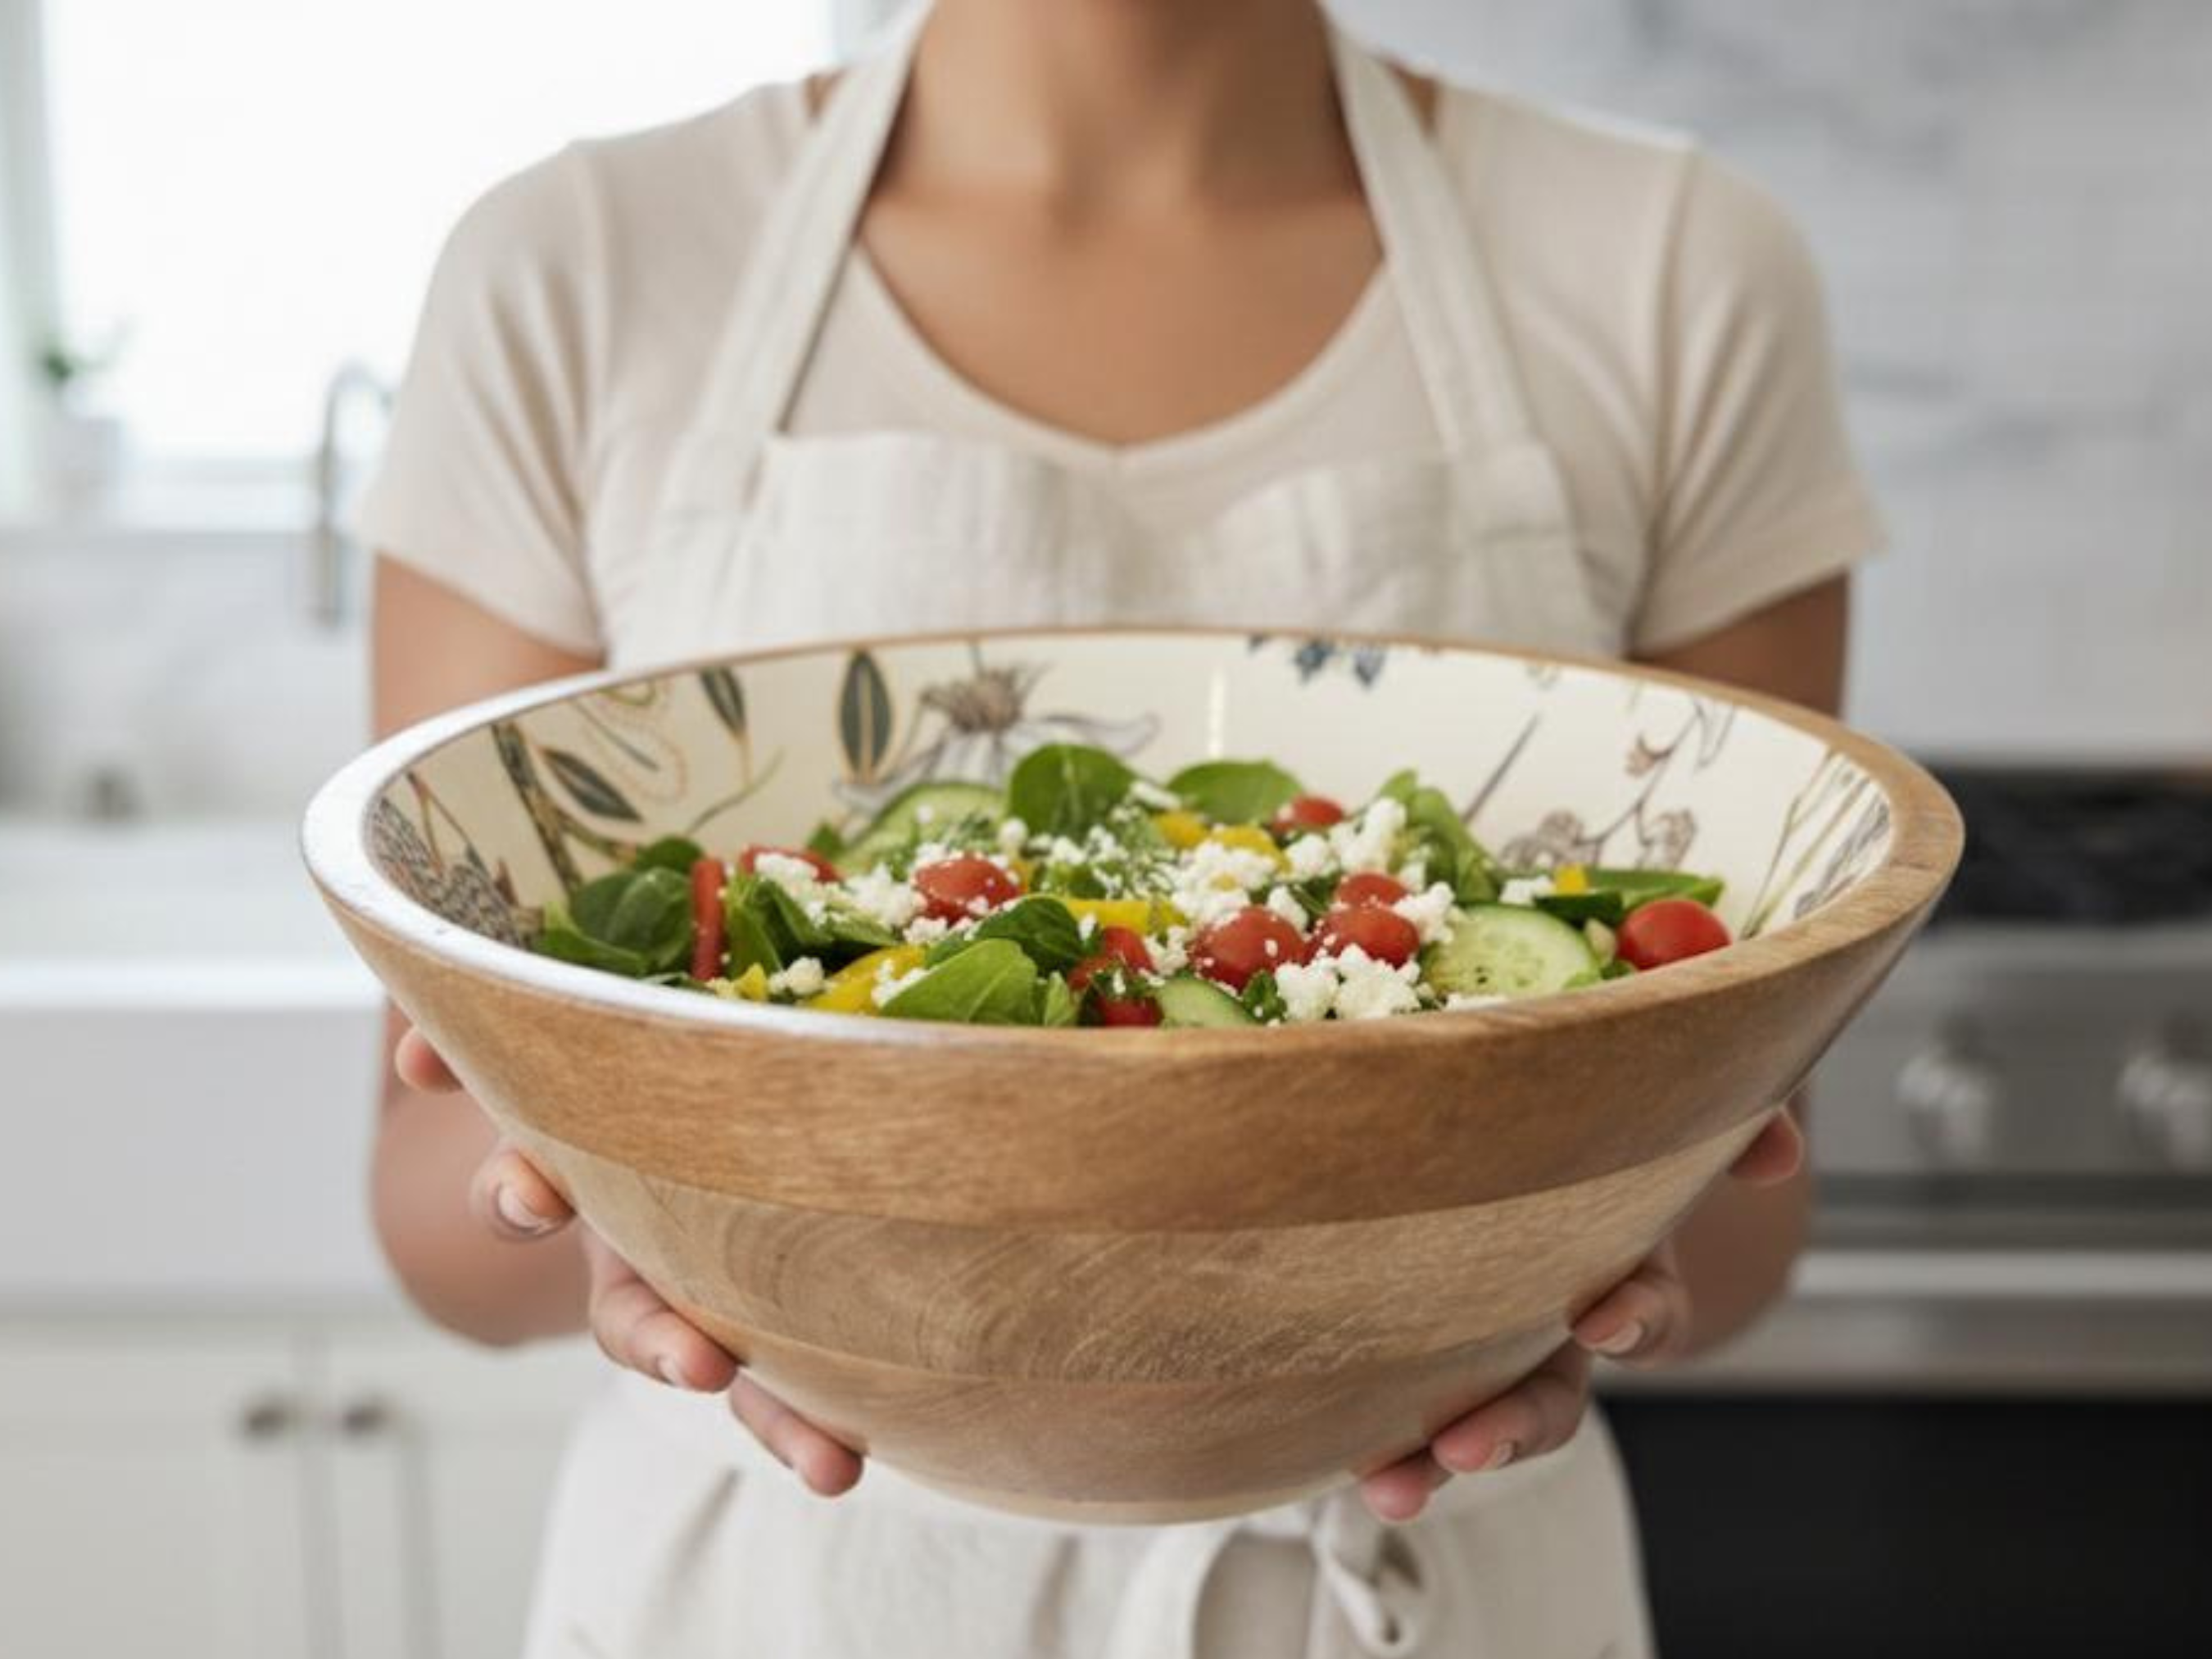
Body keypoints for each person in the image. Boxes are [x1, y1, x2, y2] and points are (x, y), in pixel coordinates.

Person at [359, 0, 1877, 1652]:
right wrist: (634, 1201)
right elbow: (433, 1212)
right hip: (784, 1583)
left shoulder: (1672, 269)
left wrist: (1602, 1241)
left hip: (1429, 1576)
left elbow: (1747, 1216)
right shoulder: (575, 268)